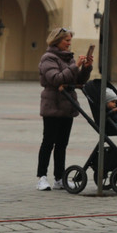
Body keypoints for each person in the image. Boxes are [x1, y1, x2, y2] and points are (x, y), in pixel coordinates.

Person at [36, 27, 92, 191]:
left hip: (67, 105)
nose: (69, 43)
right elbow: (55, 79)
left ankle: (59, 178)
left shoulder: (69, 59)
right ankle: (41, 177)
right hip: (53, 105)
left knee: (62, 144)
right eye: (66, 40)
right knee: (48, 142)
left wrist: (86, 67)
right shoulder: (48, 58)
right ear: (57, 41)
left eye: (70, 40)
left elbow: (77, 80)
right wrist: (75, 67)